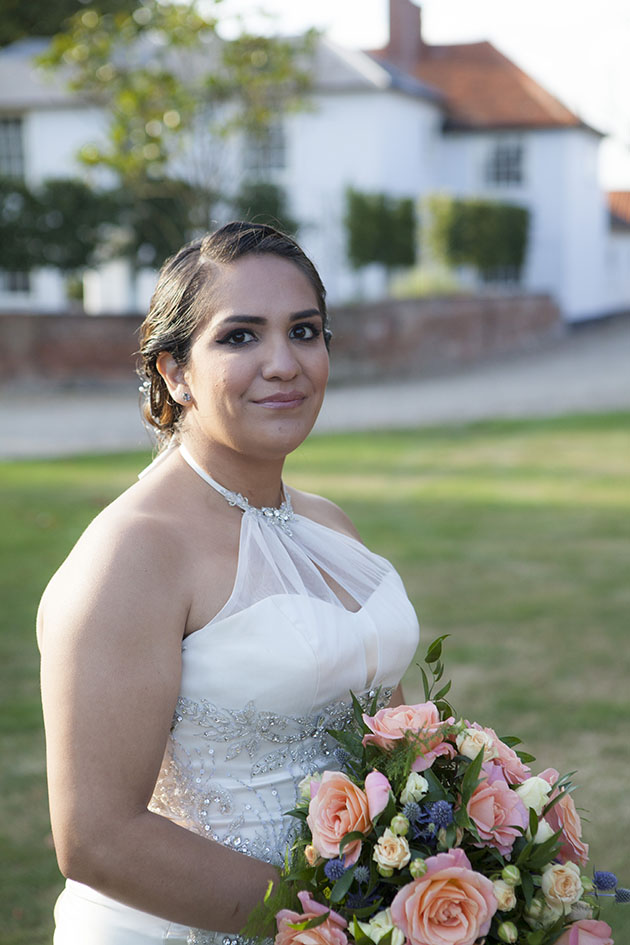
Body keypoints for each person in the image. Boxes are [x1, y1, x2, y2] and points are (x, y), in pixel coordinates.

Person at [38, 222, 420, 944]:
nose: (283, 363)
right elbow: (97, 836)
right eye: (240, 336)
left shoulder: (329, 526)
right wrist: (332, 922)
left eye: (304, 331)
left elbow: (392, 736)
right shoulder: (132, 553)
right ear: (174, 371)